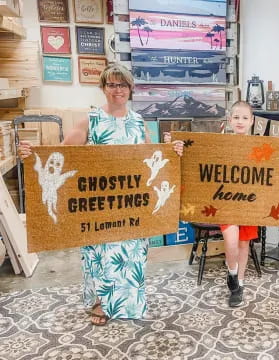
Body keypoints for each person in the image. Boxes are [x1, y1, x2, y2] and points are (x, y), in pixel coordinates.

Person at [18, 63, 184, 326]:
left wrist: (171, 149)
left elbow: (147, 157)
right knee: (101, 252)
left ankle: (130, 301)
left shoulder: (138, 121)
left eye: (122, 85)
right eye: (111, 84)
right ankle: (100, 301)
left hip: (130, 200)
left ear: (130, 88)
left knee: (131, 251)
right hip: (99, 202)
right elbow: (62, 153)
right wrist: (32, 154)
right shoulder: (91, 119)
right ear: (103, 88)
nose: (117, 90)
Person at [165, 100, 258, 307]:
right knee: (231, 240)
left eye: (245, 118)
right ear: (229, 120)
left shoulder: (259, 146)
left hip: (250, 204)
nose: (240, 121)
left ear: (252, 121)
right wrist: (174, 143)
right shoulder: (219, 144)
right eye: (236, 117)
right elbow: (198, 158)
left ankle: (239, 286)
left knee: (244, 244)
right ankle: (232, 273)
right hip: (226, 202)